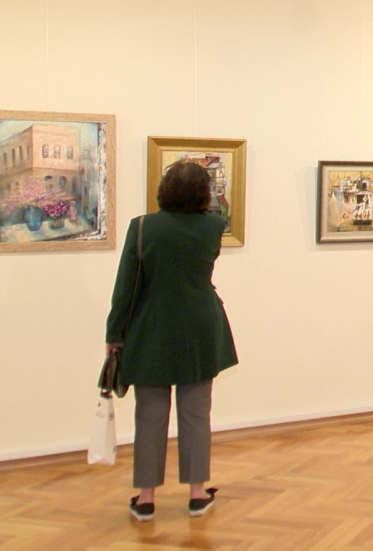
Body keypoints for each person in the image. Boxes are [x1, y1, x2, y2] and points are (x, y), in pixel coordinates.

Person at [105, 160, 239, 522]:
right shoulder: (213, 227)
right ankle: (197, 494)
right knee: (196, 413)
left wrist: (115, 334)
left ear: (164, 189)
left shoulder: (142, 227)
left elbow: (126, 287)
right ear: (204, 192)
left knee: (150, 415)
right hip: (200, 327)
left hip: (152, 328)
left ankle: (146, 499)